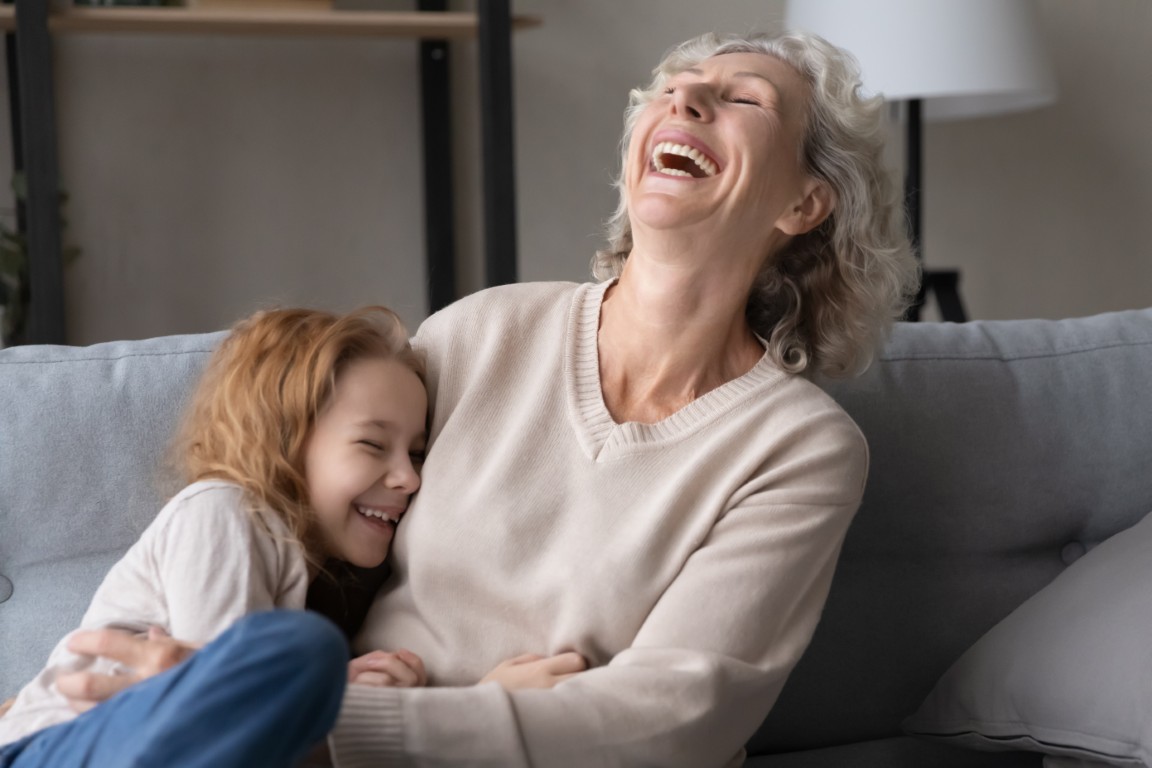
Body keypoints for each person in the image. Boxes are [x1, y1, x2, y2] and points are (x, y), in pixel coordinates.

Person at [34, 29, 919, 767]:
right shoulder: (477, 334)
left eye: (742, 99)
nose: (685, 99)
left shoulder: (800, 448)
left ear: (806, 203)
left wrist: (313, 723)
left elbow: (677, 718)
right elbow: (288, 514)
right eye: (672, 88)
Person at [0, 307, 431, 764]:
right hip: (45, 750)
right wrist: (341, 697)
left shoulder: (299, 568)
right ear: (282, 436)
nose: (410, 478)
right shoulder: (227, 509)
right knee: (305, 648)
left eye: (417, 453)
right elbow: (227, 700)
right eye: (373, 445)